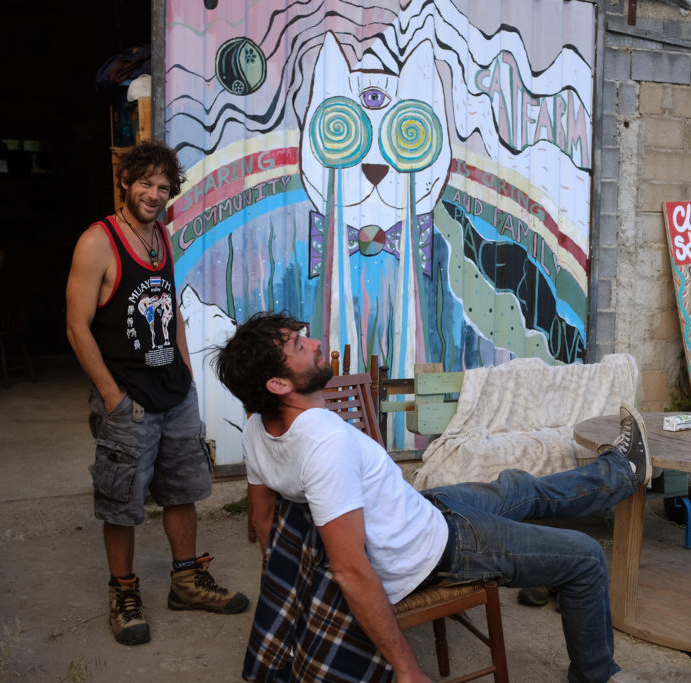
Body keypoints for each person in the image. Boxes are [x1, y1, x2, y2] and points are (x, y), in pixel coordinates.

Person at [214, 312, 651, 682]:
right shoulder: (325, 442)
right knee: (586, 557)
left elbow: (266, 524)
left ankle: (621, 469)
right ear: (277, 384)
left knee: (519, 486)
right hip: (439, 548)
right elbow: (349, 570)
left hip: (422, 508)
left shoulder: (257, 429)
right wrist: (406, 669)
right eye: (297, 345)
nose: (313, 343)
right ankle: (596, 674)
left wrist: (288, 592)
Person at [66, 141, 248, 646]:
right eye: (145, 183)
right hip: (130, 401)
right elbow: (77, 328)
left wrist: (188, 375)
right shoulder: (97, 242)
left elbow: (168, 312)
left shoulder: (161, 238)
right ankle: (123, 592)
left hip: (174, 394)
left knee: (183, 490)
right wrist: (111, 397)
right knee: (121, 502)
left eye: (163, 187)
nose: (153, 194)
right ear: (125, 182)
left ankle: (186, 580)